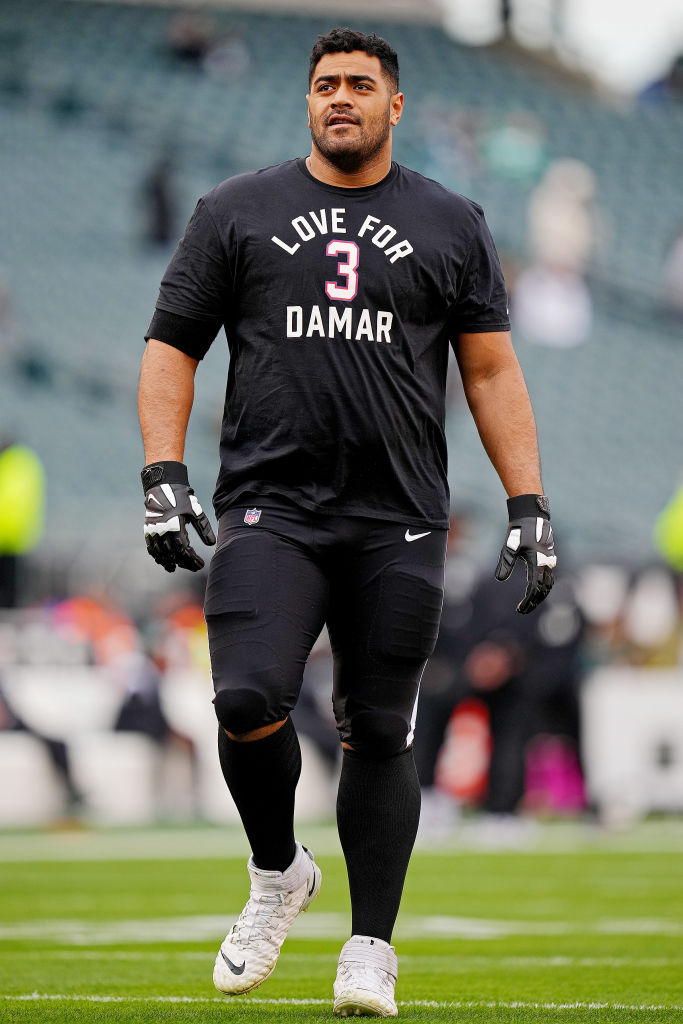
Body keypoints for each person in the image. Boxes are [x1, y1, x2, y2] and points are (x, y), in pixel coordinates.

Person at [137, 28, 556, 1018]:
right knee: (244, 695)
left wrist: (527, 501)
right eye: (324, 84)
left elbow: (490, 369)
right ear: (307, 101)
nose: (339, 98)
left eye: (359, 85)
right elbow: (169, 346)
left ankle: (370, 945)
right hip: (268, 504)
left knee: (378, 727)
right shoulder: (235, 209)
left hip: (398, 514)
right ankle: (277, 869)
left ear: (394, 105)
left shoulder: (450, 220)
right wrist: (162, 471)